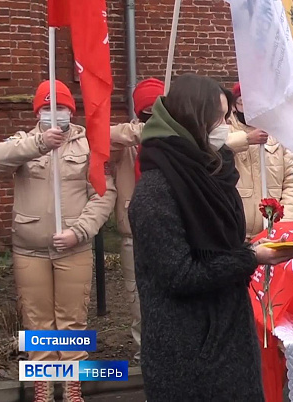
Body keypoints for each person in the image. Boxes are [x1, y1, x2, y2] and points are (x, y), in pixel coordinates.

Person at [128, 74, 293, 401]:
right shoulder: (156, 191)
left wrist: (249, 251)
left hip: (228, 338)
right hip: (187, 353)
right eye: (220, 118)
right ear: (195, 121)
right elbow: (179, 274)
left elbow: (224, 247)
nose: (227, 126)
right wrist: (251, 258)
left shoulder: (212, 173)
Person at [0, 80, 117, 402]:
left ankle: (71, 386)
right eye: (47, 108)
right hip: (29, 250)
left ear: (71, 111)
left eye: (60, 107)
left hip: (74, 247)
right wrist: (40, 144)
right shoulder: (24, 142)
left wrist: (80, 231)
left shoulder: (87, 145)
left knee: (72, 320)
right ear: (38, 112)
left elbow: (103, 194)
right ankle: (43, 388)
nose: (54, 113)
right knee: (37, 321)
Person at [107, 77, 165, 362]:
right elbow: (106, 137)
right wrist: (147, 130)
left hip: (167, 230)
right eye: (147, 111)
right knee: (137, 299)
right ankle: (146, 353)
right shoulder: (126, 141)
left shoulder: (173, 137)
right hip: (134, 232)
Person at [226, 82, 293, 239]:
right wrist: (246, 139)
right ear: (234, 106)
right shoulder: (225, 130)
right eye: (243, 102)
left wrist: (282, 223)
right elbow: (211, 149)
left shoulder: (278, 135)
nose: (249, 108)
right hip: (234, 232)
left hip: (271, 232)